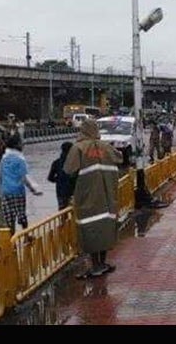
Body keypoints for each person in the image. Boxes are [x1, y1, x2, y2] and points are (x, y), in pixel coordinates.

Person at [64, 119, 122, 279]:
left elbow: (69, 171)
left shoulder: (78, 148)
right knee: (105, 229)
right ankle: (102, 263)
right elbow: (120, 158)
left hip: (87, 198)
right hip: (108, 196)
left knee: (89, 230)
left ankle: (95, 265)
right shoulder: (106, 147)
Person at [0, 134, 42, 235]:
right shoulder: (20, 160)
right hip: (18, 191)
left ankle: (11, 242)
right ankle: (26, 237)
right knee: (21, 215)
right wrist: (34, 190)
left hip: (6, 192)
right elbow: (24, 178)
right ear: (17, 145)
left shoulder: (4, 159)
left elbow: (0, 176)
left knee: (9, 218)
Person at [47, 142, 76, 210]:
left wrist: (58, 179)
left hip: (60, 192)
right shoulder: (75, 162)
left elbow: (50, 178)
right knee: (74, 212)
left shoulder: (56, 162)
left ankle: (63, 220)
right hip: (73, 192)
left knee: (62, 211)